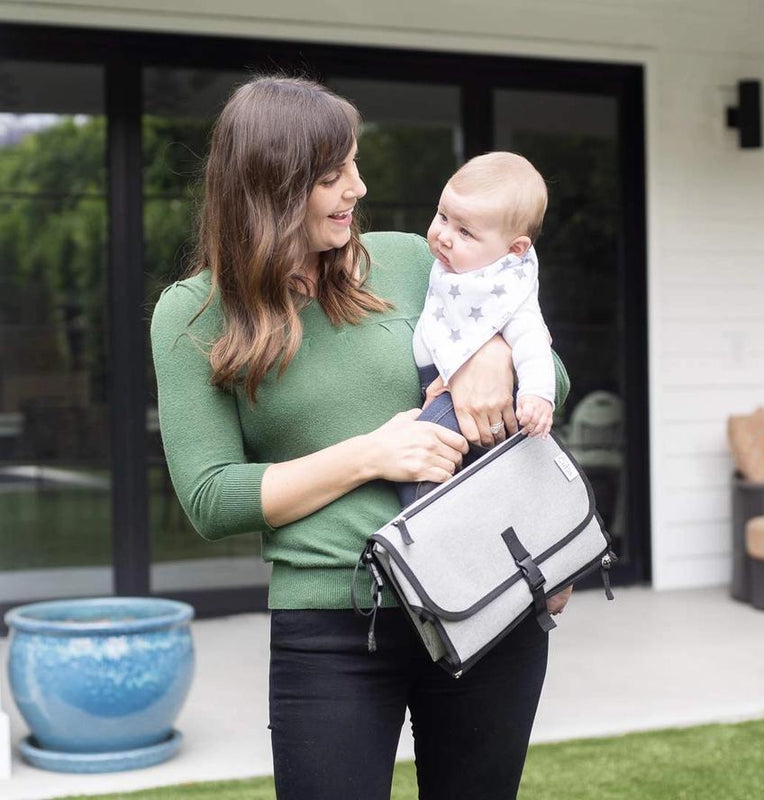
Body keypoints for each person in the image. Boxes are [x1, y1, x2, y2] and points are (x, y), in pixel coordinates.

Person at [150, 75, 573, 800]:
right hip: (332, 625)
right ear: (271, 187)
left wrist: (492, 358)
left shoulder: (410, 260)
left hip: (483, 597)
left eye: (353, 165)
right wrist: (371, 454)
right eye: (331, 175)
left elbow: (551, 379)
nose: (357, 187)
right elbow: (212, 497)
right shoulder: (192, 316)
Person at [397, 152, 558, 507]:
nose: (445, 237)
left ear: (514, 249)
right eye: (443, 217)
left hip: (459, 404)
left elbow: (532, 340)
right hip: (444, 390)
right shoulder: (454, 271)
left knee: (422, 469)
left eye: (465, 231)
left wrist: (537, 395)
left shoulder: (505, 291)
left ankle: (424, 525)